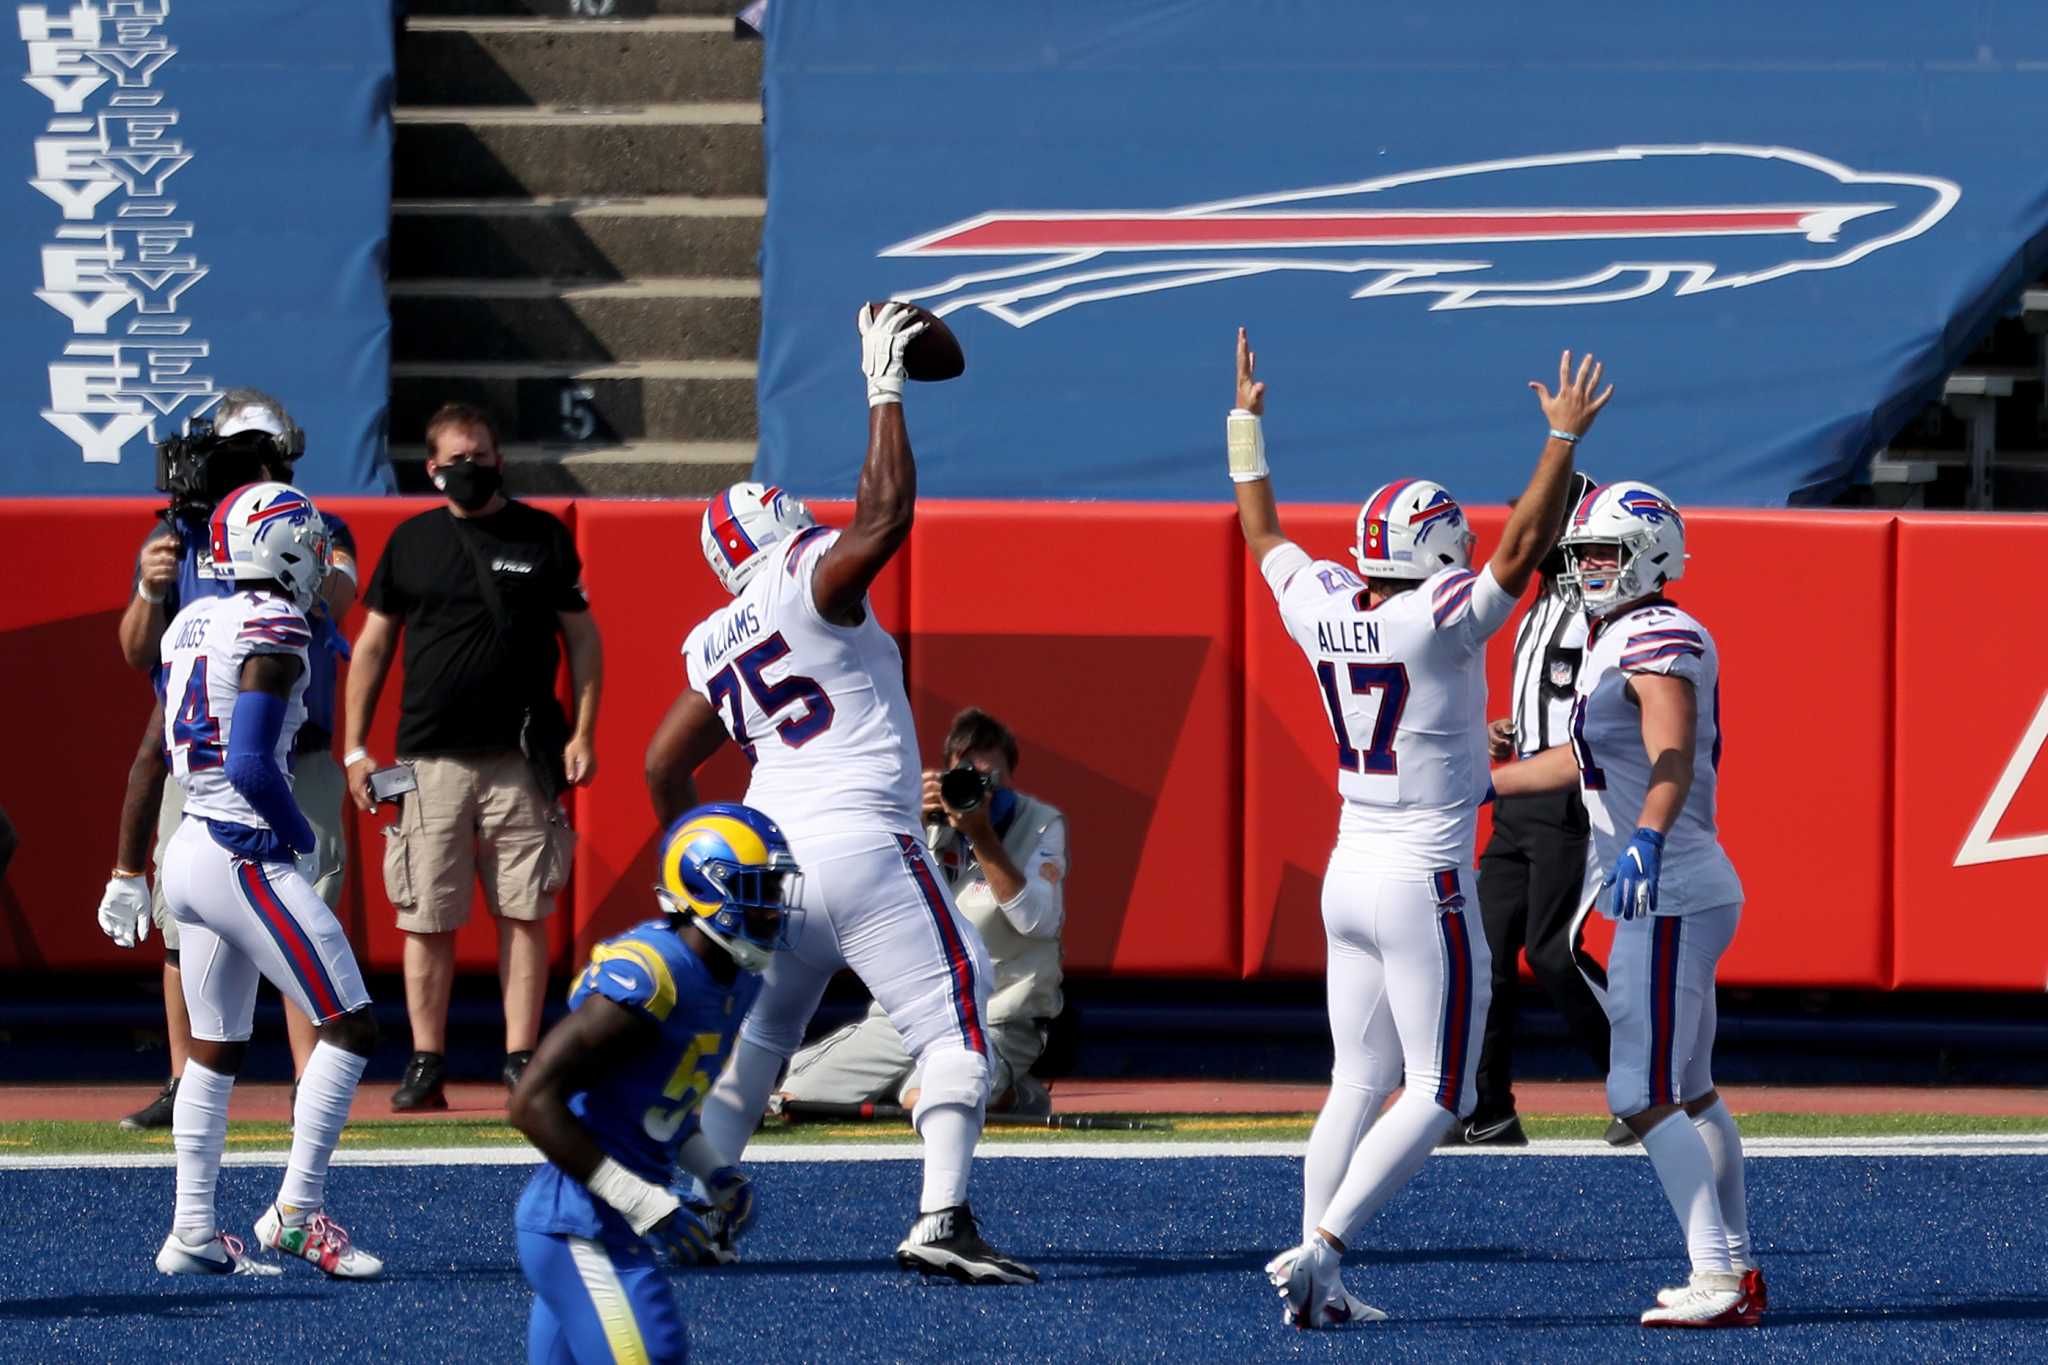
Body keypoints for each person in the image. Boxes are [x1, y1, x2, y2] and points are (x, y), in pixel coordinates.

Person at [644, 301, 1035, 1285]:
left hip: (769, 865)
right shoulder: (801, 576)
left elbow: (659, 765)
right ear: (778, 532)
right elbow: (884, 519)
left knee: (764, 1039)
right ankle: (941, 1217)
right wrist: (884, 388)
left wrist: (692, 867)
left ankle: (708, 1212)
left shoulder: (713, 635)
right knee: (958, 1017)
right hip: (860, 841)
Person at [1232, 329, 1611, 1327]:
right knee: (1440, 1093)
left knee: (1352, 1081)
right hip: (1419, 874)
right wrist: (1558, 441)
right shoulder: (1437, 614)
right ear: (1434, 549)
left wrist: (1243, 429)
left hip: (1344, 866)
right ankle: (1321, 1249)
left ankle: (1321, 1286)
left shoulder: (1324, 605)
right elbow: (1522, 549)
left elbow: (1264, 536)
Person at [1489, 480, 1760, 1328]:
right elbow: (1580, 764)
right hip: (1676, 883)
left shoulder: (1658, 635)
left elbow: (1669, 752)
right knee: (1691, 1087)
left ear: (1650, 552)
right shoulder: (1618, 637)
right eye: (1581, 556)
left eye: (1602, 552)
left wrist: (1644, 834)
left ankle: (1716, 1275)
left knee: (1638, 1091)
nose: (1588, 569)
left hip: (1667, 884)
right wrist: (1480, 782)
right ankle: (1736, 1267)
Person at [94, 390, 359, 1132]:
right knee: (189, 931)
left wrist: (296, 568)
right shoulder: (179, 535)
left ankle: (310, 1082)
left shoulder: (315, 527)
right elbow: (137, 652)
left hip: (291, 750)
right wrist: (152, 585)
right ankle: (186, 1082)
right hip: (205, 759)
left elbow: (337, 589)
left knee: (306, 918)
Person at [151, 481, 381, 1279]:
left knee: (215, 1047)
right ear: (280, 545)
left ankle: (192, 1230)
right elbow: (250, 759)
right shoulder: (276, 621)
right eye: (310, 539)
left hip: (190, 843)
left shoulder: (189, 621)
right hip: (237, 848)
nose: (320, 554)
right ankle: (296, 1211)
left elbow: (160, 749)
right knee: (349, 1023)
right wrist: (293, 835)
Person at [344, 403, 601, 1110]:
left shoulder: (543, 536)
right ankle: (427, 1062)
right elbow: (371, 648)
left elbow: (583, 640)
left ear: (499, 456)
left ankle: (521, 1058)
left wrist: (582, 732)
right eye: (456, 459)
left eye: (481, 455)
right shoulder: (411, 541)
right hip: (429, 759)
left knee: (525, 909)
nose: (471, 468)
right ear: (431, 469)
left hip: (522, 755)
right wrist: (356, 749)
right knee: (427, 913)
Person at [509, 804, 798, 1365]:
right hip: (580, 1228)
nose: (773, 910)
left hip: (602, 1226)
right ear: (704, 887)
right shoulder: (650, 975)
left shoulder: (737, 978)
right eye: (756, 890)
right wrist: (647, 1204)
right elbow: (530, 1102)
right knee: (654, 1355)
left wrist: (715, 1172)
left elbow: (662, 1102)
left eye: (776, 890)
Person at [1458, 469, 1634, 1148]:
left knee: (1553, 951)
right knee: (1484, 953)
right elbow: (1549, 699)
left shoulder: (1601, 607)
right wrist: (1510, 731)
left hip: (1568, 799)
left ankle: (1640, 1083)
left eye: (1548, 515)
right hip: (1516, 798)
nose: (1529, 524)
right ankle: (1487, 1105)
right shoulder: (1533, 601)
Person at [779, 706, 1068, 1116]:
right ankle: (917, 1081)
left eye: (986, 781)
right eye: (963, 777)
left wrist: (981, 835)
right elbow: (868, 901)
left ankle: (1019, 1095)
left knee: (931, 1098)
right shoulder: (923, 823)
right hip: (911, 1011)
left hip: (997, 1017)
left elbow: (1037, 923)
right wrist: (901, 823)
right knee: (796, 1096)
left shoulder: (1040, 824)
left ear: (1009, 778)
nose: (975, 792)